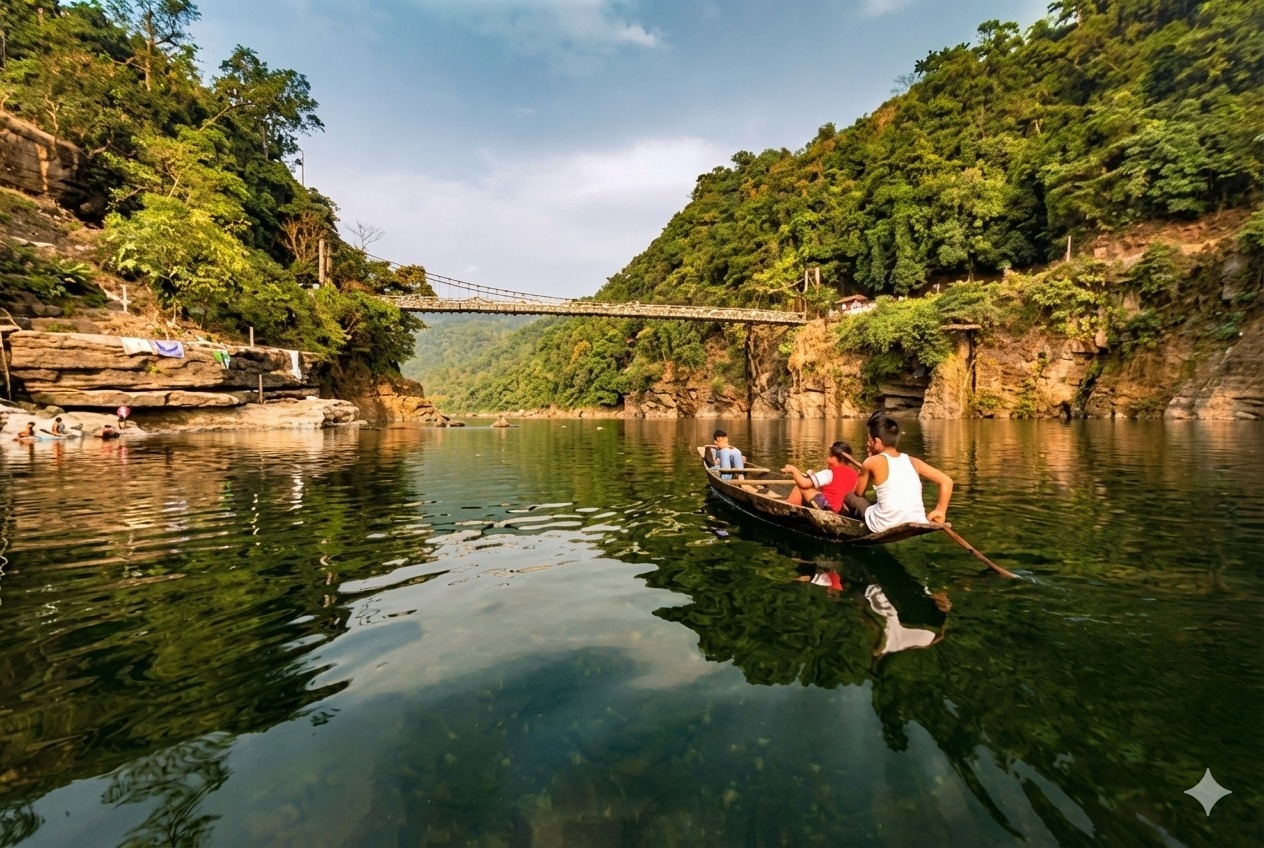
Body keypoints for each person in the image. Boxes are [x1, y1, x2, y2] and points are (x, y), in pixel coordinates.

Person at [844, 412, 953, 531]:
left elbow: (859, 493)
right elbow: (946, 481)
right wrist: (940, 510)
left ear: (878, 441)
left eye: (869, 440)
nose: (867, 443)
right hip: (917, 519)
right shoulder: (913, 461)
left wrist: (866, 470)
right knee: (876, 502)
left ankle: (854, 525)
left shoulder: (871, 462)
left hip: (883, 524)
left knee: (850, 496)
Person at [782, 441, 858, 512]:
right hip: (842, 508)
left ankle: (787, 511)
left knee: (799, 487)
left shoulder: (829, 473)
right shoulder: (855, 473)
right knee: (815, 487)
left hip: (829, 507)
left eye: (830, 455)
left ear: (838, 458)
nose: (828, 456)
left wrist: (794, 470)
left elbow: (803, 483)